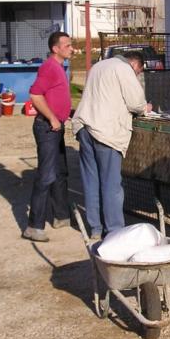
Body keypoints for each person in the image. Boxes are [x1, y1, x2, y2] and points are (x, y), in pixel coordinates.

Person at [71, 52, 152, 240]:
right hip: (106, 131)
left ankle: (95, 228)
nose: (137, 76)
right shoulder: (123, 69)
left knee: (91, 181)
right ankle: (114, 230)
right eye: (138, 72)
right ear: (134, 64)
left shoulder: (99, 66)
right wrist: (144, 108)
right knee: (111, 185)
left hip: (85, 126)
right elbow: (135, 101)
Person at [23, 31, 74, 242]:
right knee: (46, 175)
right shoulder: (49, 67)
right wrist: (53, 117)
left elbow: (55, 95)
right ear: (56, 48)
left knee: (60, 172)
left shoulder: (60, 68)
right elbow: (35, 94)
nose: (72, 48)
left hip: (56, 127)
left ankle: (61, 216)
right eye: (68, 45)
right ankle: (34, 226)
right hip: (47, 128)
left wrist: (64, 114)